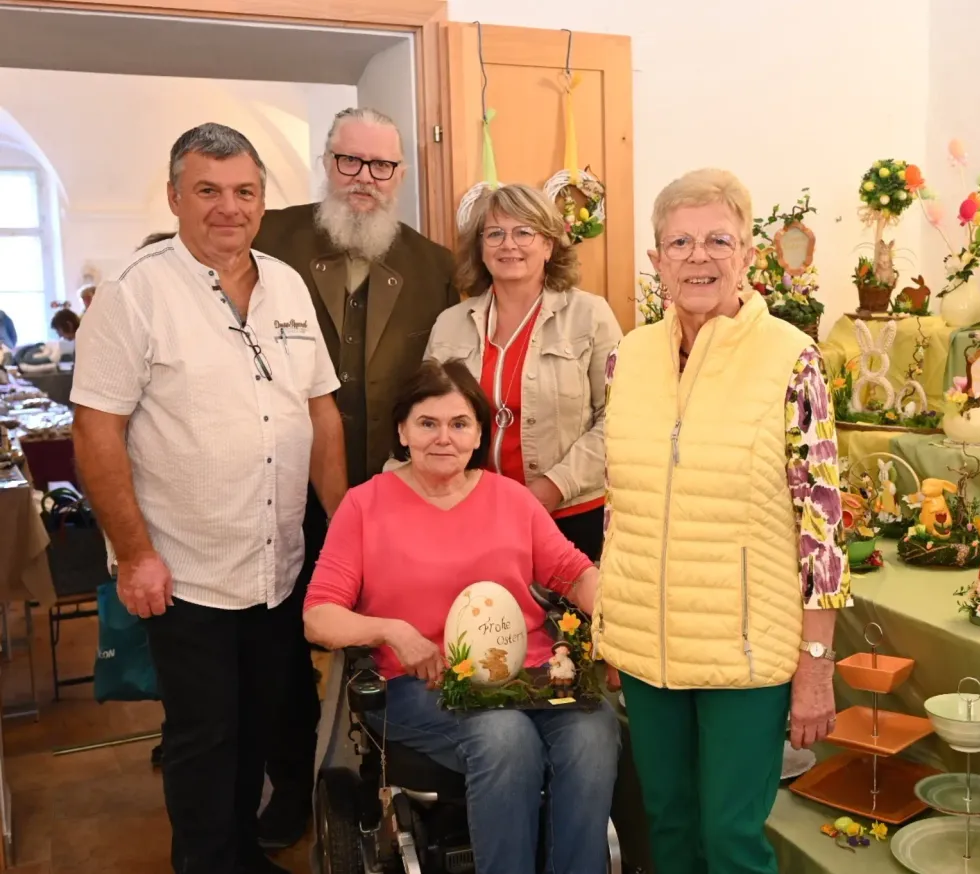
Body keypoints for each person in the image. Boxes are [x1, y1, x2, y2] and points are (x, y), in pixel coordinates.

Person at [70, 122, 348, 874]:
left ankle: (240, 857)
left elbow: (320, 412)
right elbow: (95, 431)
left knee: (259, 725)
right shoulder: (134, 294)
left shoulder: (287, 284)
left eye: (244, 192)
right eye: (208, 191)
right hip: (185, 571)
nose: (229, 207)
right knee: (204, 739)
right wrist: (134, 554)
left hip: (277, 562)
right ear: (175, 197)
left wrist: (348, 526)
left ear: (262, 200)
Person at [594, 168, 851, 874]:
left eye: (717, 240)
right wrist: (613, 628)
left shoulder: (791, 360)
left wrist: (816, 664)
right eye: (679, 242)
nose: (698, 257)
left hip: (747, 650)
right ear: (655, 260)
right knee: (668, 830)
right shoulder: (630, 356)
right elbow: (624, 507)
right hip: (650, 648)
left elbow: (822, 527)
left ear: (747, 255)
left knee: (731, 841)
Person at [303, 359, 619, 874]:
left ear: (478, 433)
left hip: (529, 677)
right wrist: (391, 630)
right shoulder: (365, 507)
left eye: (459, 423)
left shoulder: (511, 499)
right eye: (427, 423)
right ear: (402, 430)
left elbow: (574, 572)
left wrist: (616, 621)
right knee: (504, 736)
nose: (443, 438)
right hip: (418, 684)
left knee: (594, 729)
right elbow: (319, 616)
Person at [252, 106, 460, 847]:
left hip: (393, 495)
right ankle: (292, 783)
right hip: (279, 488)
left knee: (390, 634)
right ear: (326, 161)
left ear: (401, 174)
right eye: (349, 162)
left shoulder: (436, 264)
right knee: (282, 645)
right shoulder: (269, 237)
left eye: (381, 166)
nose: (364, 180)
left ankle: (389, 779)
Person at [426, 183, 620, 561]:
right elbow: (426, 417)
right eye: (494, 233)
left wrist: (550, 488)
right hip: (473, 515)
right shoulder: (450, 324)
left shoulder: (590, 316)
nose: (508, 244)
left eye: (524, 232)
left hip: (570, 515)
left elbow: (618, 420)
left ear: (548, 245)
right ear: (480, 248)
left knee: (566, 619)